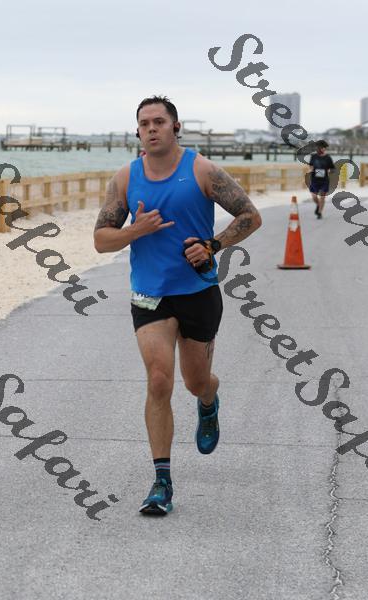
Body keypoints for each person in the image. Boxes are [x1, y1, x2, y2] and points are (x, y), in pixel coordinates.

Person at [93, 95, 262, 515]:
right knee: (158, 381)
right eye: (144, 123)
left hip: (197, 292)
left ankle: (209, 400)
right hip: (150, 294)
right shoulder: (126, 178)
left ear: (175, 127)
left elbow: (249, 216)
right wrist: (135, 231)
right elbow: (101, 240)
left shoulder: (202, 170)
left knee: (195, 381)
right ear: (137, 131)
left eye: (159, 121)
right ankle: (161, 482)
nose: (151, 129)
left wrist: (213, 245)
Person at [308, 140, 335, 219]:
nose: (323, 149)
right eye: (322, 148)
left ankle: (319, 213)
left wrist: (329, 171)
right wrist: (311, 170)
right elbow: (311, 165)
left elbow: (332, 168)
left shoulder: (328, 157)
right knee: (314, 196)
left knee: (322, 197)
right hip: (314, 179)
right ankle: (318, 205)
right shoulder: (313, 156)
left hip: (324, 180)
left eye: (324, 148)